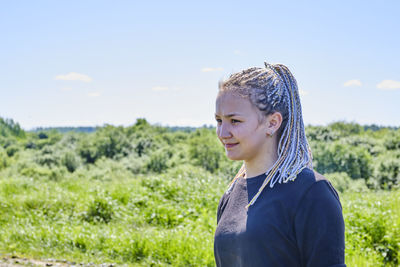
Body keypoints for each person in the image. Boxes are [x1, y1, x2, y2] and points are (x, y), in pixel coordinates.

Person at [213, 62, 346, 267]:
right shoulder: (232, 194)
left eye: (235, 121)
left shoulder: (312, 193)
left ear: (272, 123)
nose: (222, 133)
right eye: (219, 121)